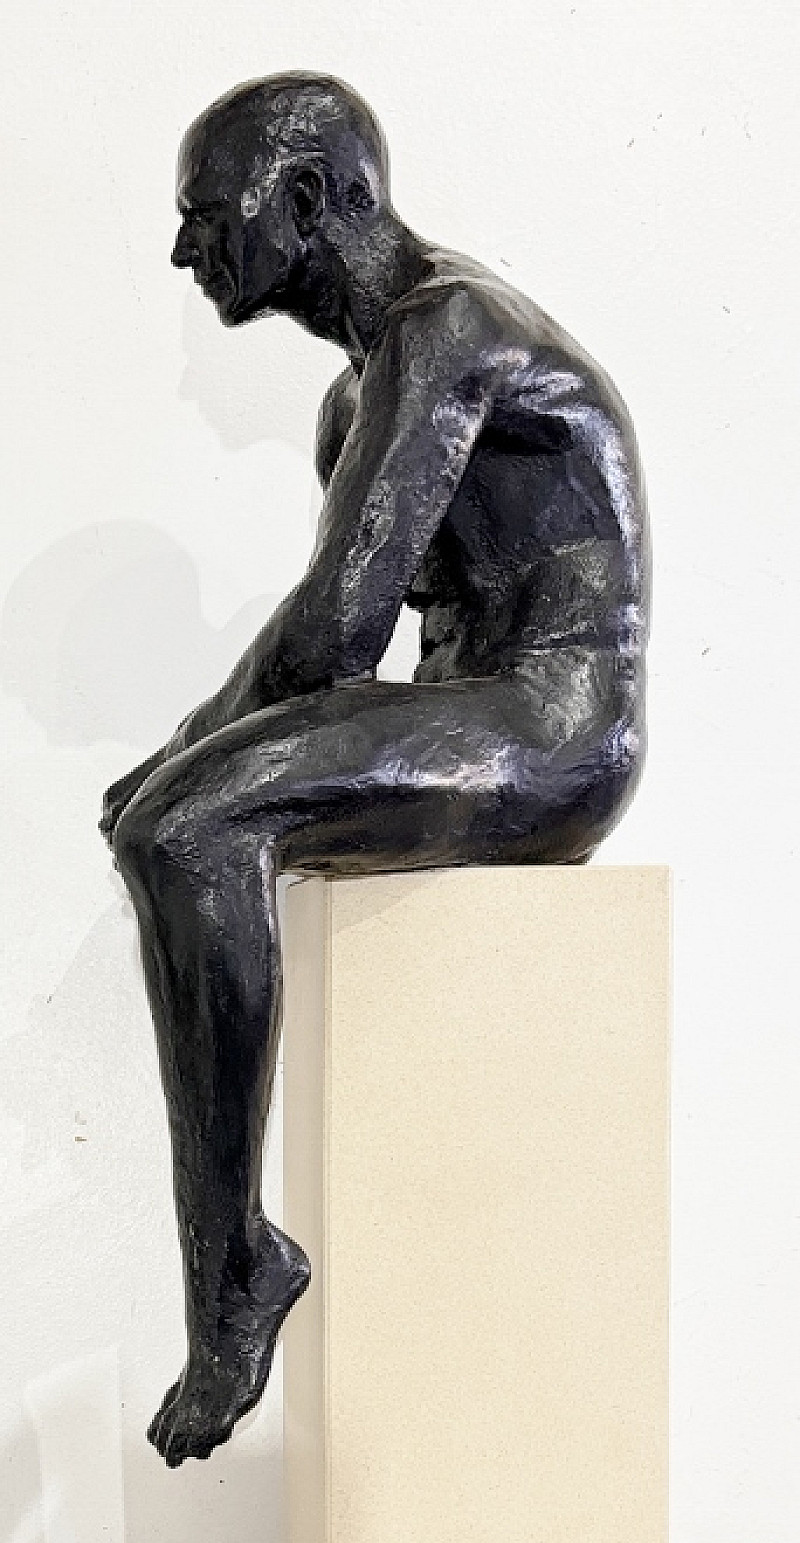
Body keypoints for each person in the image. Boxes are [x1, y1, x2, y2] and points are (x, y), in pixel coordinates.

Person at [102, 73, 651, 1467]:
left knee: (184, 832)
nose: (186, 250)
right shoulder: (357, 400)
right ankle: (234, 1265)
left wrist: (181, 760)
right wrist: (187, 758)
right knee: (175, 821)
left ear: (302, 198)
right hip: (478, 709)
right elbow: (350, 654)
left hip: (554, 725)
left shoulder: (449, 324)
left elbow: (336, 633)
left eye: (207, 215)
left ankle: (234, 1274)